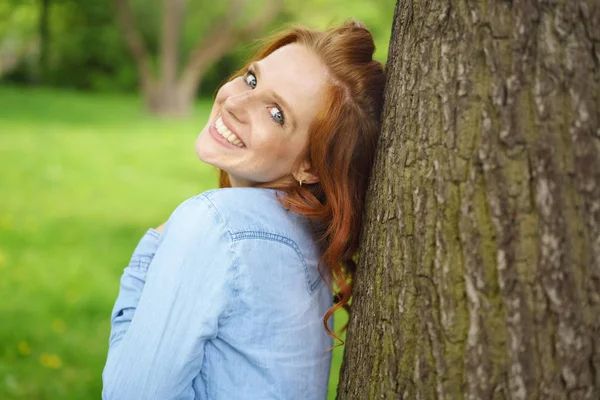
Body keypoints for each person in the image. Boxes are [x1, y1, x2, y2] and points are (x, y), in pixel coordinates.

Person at [102, 19, 385, 400]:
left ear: (311, 166)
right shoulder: (304, 240)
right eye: (252, 80)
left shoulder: (219, 225)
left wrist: (149, 257)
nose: (235, 102)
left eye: (276, 114)